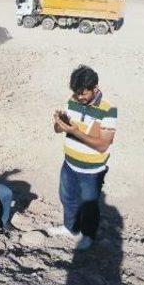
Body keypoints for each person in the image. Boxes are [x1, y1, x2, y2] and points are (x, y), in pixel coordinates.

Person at [49, 65, 117, 251]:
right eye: (76, 93)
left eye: (83, 94)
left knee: (89, 206)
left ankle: (88, 235)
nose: (79, 97)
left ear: (95, 88)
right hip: (69, 164)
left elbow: (103, 145)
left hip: (92, 171)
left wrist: (75, 132)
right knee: (67, 198)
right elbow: (58, 130)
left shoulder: (108, 110)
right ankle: (70, 228)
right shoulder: (72, 100)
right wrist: (58, 123)